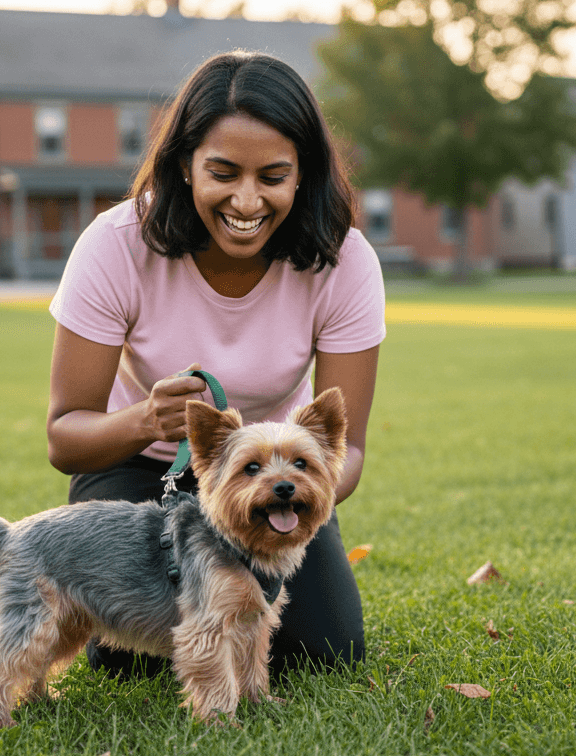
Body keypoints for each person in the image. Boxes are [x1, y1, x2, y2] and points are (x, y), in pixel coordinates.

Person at [46, 50, 385, 677]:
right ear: (184, 166)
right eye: (223, 173)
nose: (247, 200)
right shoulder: (115, 245)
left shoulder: (345, 261)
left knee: (323, 653)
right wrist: (147, 421)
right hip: (141, 476)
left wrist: (284, 501)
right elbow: (66, 438)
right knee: (136, 660)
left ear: (303, 174)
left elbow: (351, 450)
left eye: (273, 176)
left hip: (272, 482)